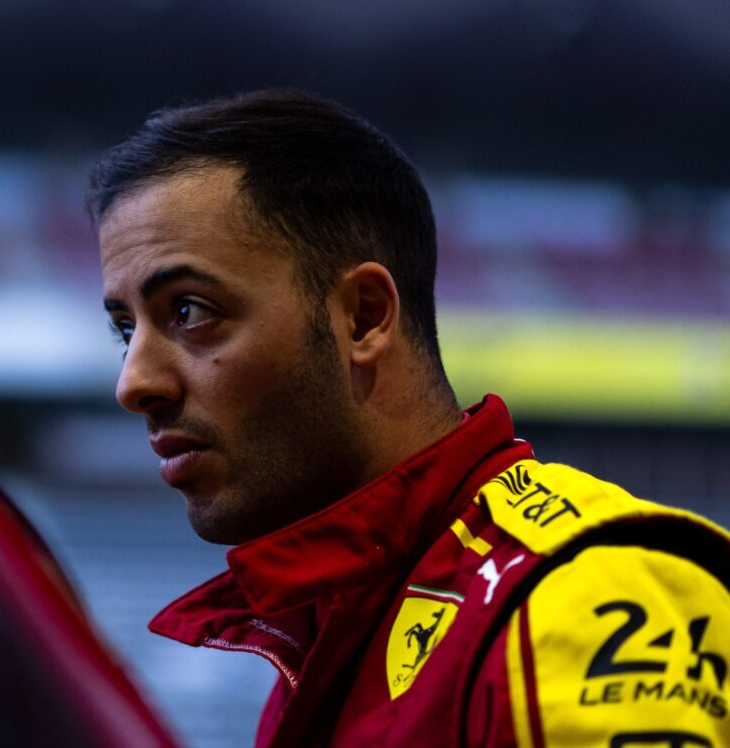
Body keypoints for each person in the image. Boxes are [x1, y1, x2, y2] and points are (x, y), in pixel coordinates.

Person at [87, 90, 730, 747]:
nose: (133, 384)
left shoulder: (583, 595)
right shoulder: (327, 633)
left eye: (189, 311)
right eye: (125, 330)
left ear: (364, 316)